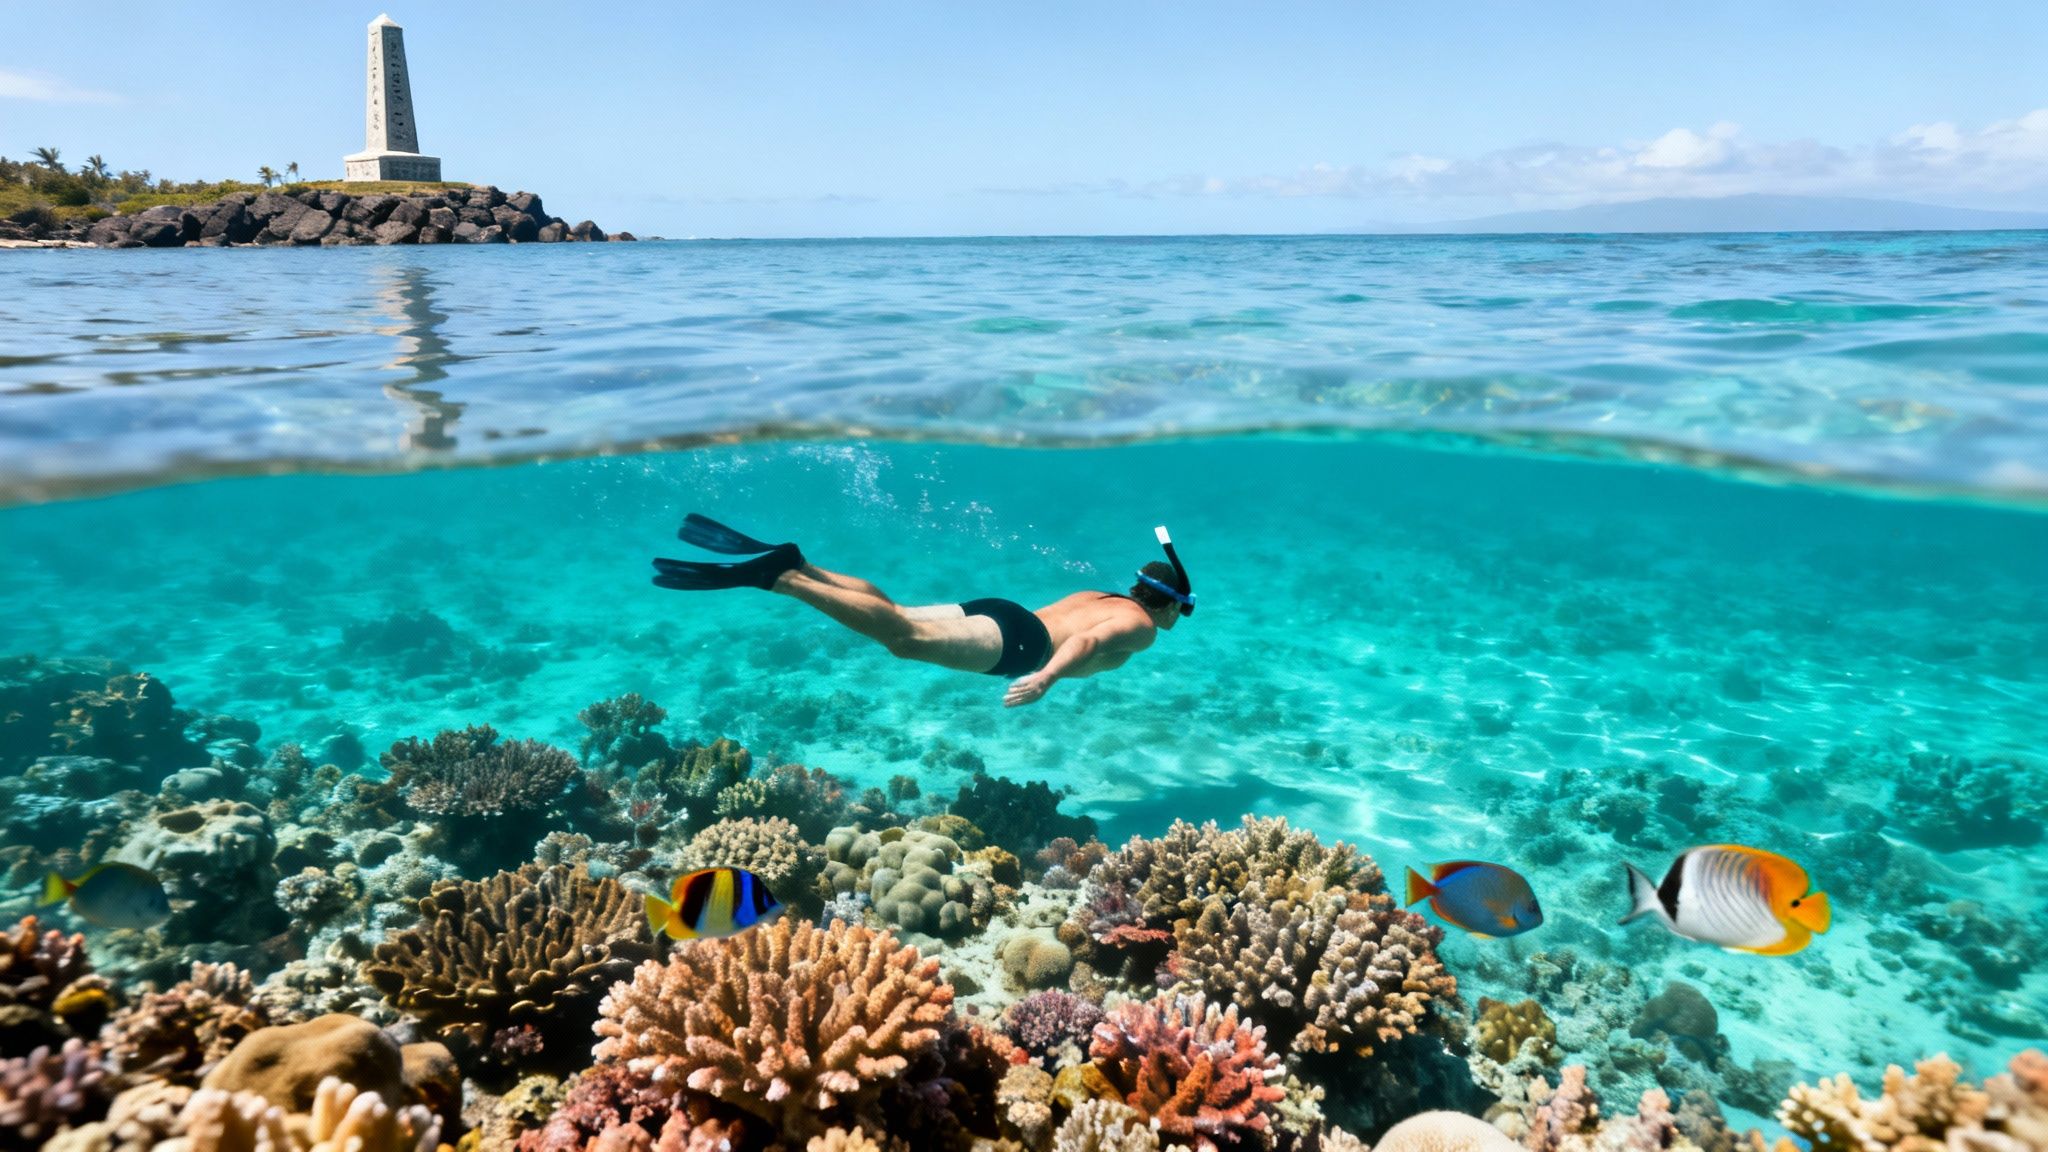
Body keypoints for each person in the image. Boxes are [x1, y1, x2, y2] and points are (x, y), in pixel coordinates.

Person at [652, 516, 1196, 707]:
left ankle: (805, 565)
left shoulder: (1099, 594)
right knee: (903, 640)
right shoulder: (1143, 626)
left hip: (1000, 612)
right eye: (1181, 613)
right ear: (1171, 606)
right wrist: (1045, 679)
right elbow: (1088, 645)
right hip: (1022, 645)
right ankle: (782, 579)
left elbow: (1079, 626)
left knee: (896, 612)